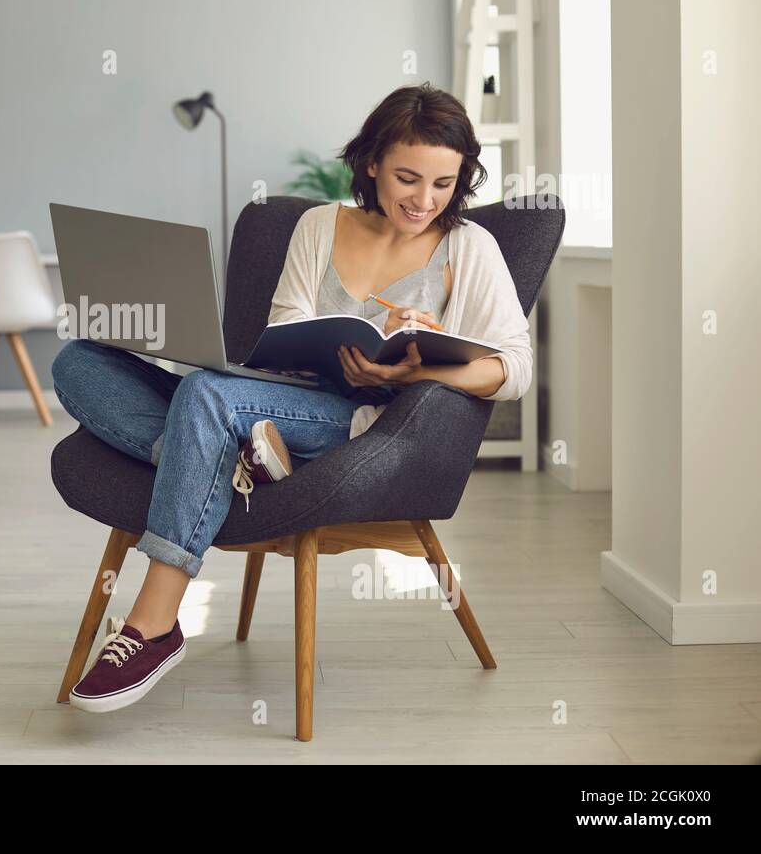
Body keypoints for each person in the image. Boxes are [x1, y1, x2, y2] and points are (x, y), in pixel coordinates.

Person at [52, 81, 533, 714]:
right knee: (80, 361)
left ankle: (153, 625)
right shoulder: (318, 226)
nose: (423, 200)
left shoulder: (469, 248)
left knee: (205, 396)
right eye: (407, 179)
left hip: (367, 423)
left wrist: (409, 376)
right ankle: (220, 460)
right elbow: (284, 330)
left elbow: (515, 368)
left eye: (443, 184)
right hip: (278, 399)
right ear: (372, 163)